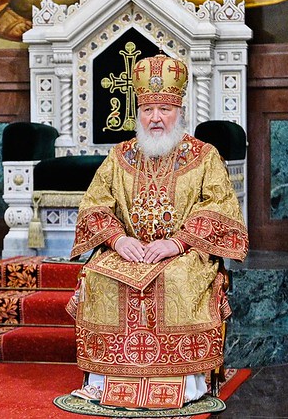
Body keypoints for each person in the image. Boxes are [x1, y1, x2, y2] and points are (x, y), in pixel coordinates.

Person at [66, 53, 248, 409]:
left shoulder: (204, 156)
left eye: (164, 109)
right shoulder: (120, 156)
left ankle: (187, 382)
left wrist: (177, 243)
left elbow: (220, 206)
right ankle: (102, 381)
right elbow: (94, 204)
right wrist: (117, 239)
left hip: (183, 253)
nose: (155, 118)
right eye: (148, 110)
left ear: (179, 111)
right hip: (129, 252)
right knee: (100, 275)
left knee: (176, 279)